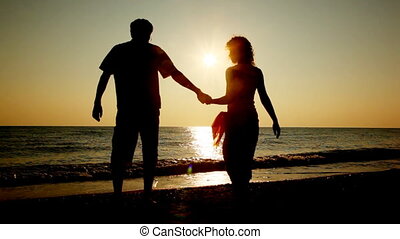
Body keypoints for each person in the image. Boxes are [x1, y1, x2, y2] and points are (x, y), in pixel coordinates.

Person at [92, 19, 211, 198]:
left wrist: (97, 101)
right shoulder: (141, 51)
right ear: (147, 33)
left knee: (126, 152)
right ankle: (139, 193)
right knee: (140, 152)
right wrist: (197, 91)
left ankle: (125, 194)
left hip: (136, 109)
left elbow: (174, 73)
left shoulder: (130, 50)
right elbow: (175, 74)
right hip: (138, 109)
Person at [207, 36, 280, 198]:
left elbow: (230, 97)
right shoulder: (256, 72)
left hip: (236, 120)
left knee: (231, 157)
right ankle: (243, 191)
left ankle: (239, 191)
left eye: (231, 51)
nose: (230, 55)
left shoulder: (231, 71)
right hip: (251, 119)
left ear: (239, 51)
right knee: (245, 159)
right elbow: (264, 97)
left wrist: (211, 101)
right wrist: (274, 119)